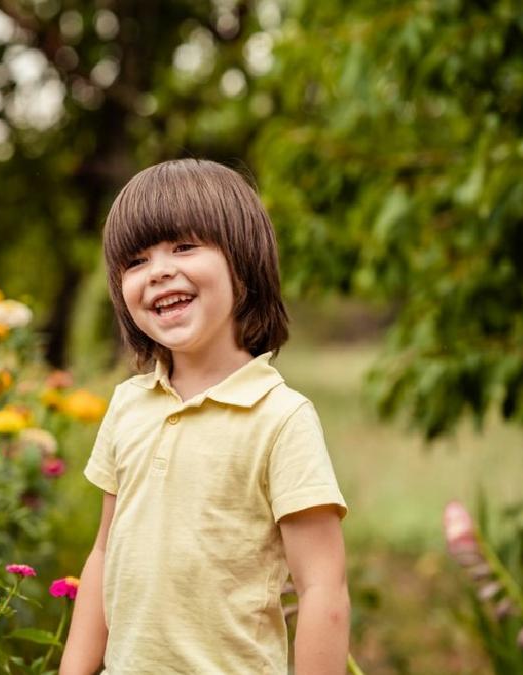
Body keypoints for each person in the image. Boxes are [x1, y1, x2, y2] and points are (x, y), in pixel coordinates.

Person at [60, 159, 350, 674]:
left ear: (244, 262)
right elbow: (104, 556)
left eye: (184, 247)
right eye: (136, 261)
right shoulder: (129, 404)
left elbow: (321, 586)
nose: (159, 271)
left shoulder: (280, 418)